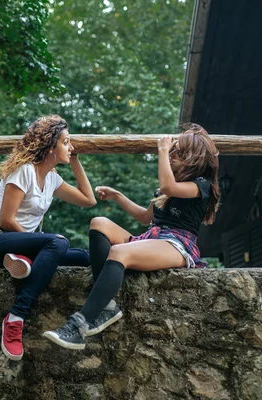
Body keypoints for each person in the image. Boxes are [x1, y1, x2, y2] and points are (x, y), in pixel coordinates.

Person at [42, 123, 220, 350]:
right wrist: (117, 197)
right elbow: (146, 218)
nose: (172, 154)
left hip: (176, 245)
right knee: (99, 223)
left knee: (118, 252)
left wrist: (163, 150)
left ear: (191, 158)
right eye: (172, 151)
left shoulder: (200, 185)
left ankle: (79, 326)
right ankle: (105, 305)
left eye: (177, 152)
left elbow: (168, 184)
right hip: (153, 237)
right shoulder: (165, 191)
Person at [0, 115, 96, 361]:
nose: (71, 146)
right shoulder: (24, 171)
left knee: (85, 258)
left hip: (23, 244)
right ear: (50, 145)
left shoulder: (53, 178)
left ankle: (25, 260)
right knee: (57, 242)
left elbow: (89, 200)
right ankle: (16, 317)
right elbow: (6, 220)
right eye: (66, 142)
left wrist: (75, 161)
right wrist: (35, 246)